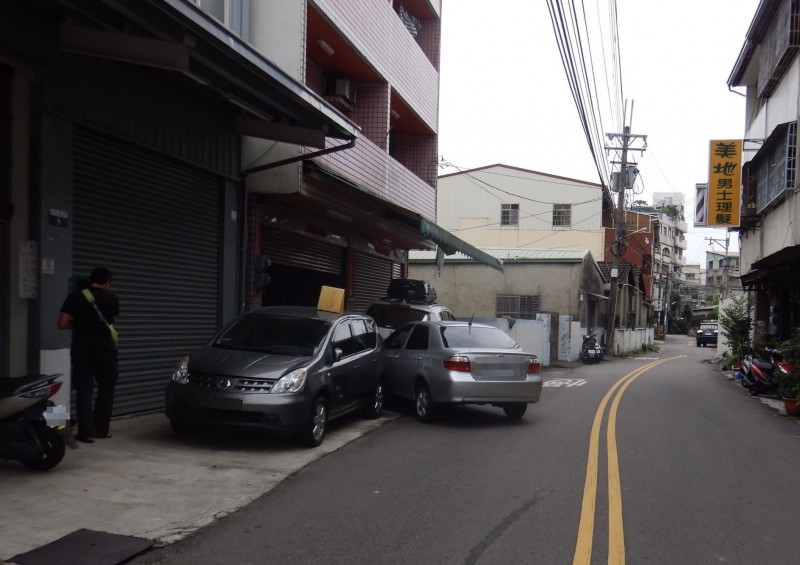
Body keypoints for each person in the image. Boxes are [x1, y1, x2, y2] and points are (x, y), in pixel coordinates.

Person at [58, 267, 120, 443]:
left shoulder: (75, 297)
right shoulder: (112, 298)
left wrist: (77, 323)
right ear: (107, 281)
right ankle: (102, 430)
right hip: (106, 349)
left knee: (84, 390)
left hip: (82, 348)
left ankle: (86, 432)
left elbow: (62, 324)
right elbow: (112, 321)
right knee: (106, 389)